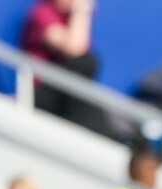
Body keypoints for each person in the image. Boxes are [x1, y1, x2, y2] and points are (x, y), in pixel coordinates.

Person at [20, 0, 111, 136]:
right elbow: (74, 50)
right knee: (84, 62)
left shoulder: (68, 20)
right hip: (43, 93)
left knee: (102, 120)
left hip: (68, 97)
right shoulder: (43, 13)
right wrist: (80, 12)